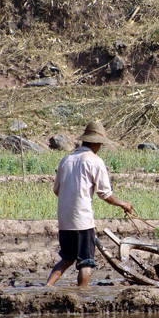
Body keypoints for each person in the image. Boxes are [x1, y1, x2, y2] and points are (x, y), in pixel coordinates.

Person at [46, 121, 133, 287]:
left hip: (65, 220)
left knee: (67, 259)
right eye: (100, 143)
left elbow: (57, 190)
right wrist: (124, 204)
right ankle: (82, 295)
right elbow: (105, 194)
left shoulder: (66, 160)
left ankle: (47, 287)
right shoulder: (95, 161)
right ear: (95, 142)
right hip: (82, 220)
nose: (100, 146)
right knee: (86, 263)